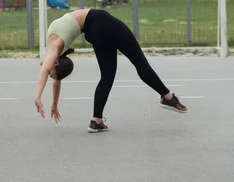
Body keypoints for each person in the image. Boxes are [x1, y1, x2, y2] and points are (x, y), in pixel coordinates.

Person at [34, 9, 187, 133]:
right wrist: (40, 97)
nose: (45, 68)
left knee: (107, 76)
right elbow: (52, 75)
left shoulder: (54, 52)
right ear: (56, 61)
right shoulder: (54, 50)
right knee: (139, 61)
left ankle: (96, 121)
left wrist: (49, 101)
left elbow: (55, 77)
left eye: (49, 72)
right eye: (49, 71)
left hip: (94, 32)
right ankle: (167, 96)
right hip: (101, 22)